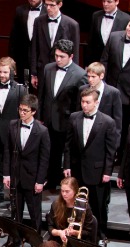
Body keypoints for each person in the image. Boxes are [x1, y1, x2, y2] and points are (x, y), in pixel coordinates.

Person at [64, 88, 119, 241]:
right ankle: (79, 231)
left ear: (97, 102)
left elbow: (110, 151)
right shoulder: (74, 118)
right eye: (82, 102)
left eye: (88, 102)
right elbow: (68, 145)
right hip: (77, 169)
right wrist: (67, 165)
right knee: (78, 203)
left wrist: (108, 172)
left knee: (99, 205)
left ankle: (101, 233)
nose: (84, 105)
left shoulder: (107, 122)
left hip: (98, 171)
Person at [2, 94, 50, 247]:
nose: (22, 113)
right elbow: (8, 151)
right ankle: (15, 238)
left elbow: (44, 158)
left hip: (32, 177)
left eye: (25, 110)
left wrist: (40, 181)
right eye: (20, 109)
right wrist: (6, 174)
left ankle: (36, 242)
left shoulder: (42, 131)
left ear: (33, 112)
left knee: (35, 212)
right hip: (16, 175)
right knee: (15, 211)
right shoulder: (12, 125)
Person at [39, 39, 86, 187]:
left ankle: (65, 184)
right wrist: (39, 117)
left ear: (71, 56)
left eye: (62, 57)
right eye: (56, 55)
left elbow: (79, 103)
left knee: (63, 152)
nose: (58, 59)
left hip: (65, 120)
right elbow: (42, 95)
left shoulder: (80, 74)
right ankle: (50, 181)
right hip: (48, 118)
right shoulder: (48, 68)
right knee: (48, 151)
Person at [0, 58, 27, 208]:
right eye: (0, 72)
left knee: (13, 165)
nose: (2, 75)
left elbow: (23, 112)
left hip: (12, 133)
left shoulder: (20, 89)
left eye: (5, 72)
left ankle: (13, 198)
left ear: (12, 72)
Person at [45, 179, 97, 247]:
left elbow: (88, 231)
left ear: (75, 191)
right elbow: (50, 228)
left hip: (79, 242)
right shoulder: (56, 204)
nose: (64, 194)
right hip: (60, 241)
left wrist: (74, 232)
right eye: (62, 191)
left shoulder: (84, 206)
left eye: (67, 191)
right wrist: (60, 232)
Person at [28, 0, 79, 83]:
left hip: (63, 70)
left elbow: (75, 53)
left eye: (52, 5)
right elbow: (34, 47)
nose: (48, 8)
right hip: (42, 70)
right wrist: (33, 73)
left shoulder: (72, 25)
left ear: (60, 4)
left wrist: (73, 75)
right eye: (46, 5)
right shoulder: (38, 21)